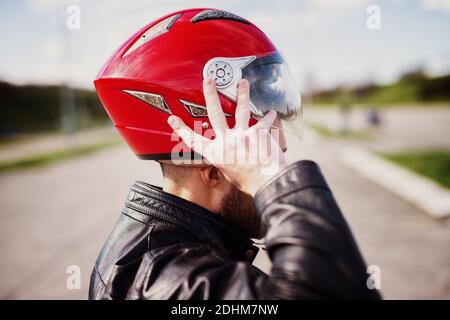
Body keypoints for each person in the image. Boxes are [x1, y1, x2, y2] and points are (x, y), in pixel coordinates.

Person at [89, 8, 381, 300]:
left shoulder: (169, 259)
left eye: (275, 164)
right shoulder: (164, 283)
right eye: (267, 161)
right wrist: (270, 178)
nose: (277, 172)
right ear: (215, 171)